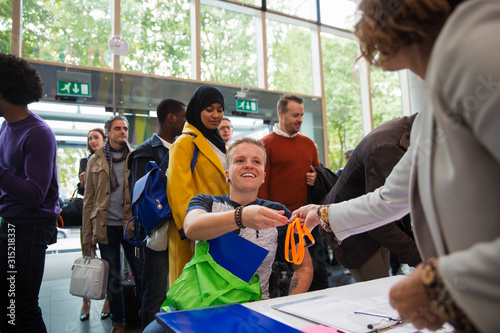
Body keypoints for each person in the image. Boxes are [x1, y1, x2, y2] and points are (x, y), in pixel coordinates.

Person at [292, 0, 500, 331]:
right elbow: (392, 197)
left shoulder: (480, 47)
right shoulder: (435, 99)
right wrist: (323, 214)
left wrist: (440, 282)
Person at [143, 138, 313, 333]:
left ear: (263, 176)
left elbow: (304, 266)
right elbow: (191, 227)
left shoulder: (278, 213)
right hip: (199, 306)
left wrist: (282, 308)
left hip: (254, 310)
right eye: (240, 160)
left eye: (256, 161)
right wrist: (241, 216)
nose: (249, 164)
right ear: (227, 174)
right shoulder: (206, 202)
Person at [322, 114, 421, 282]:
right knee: (377, 296)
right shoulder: (389, 147)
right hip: (354, 231)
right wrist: (421, 260)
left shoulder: (404, 132)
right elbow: (380, 218)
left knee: (382, 287)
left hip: (367, 224)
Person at [0, 53, 60, 332]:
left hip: (28, 228)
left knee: (21, 306)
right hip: (11, 223)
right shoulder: (6, 126)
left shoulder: (37, 133)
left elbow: (35, 193)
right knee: (9, 305)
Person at [258, 94, 329, 291]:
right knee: (283, 279)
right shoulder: (265, 144)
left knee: (319, 276)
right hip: (280, 223)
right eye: (295, 115)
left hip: (308, 222)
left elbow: (318, 172)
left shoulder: (307, 144)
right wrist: (268, 222)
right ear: (281, 114)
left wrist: (316, 179)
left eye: (302, 115)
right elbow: (262, 186)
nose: (299, 119)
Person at [127, 98, 186, 329]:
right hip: (157, 235)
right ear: (170, 117)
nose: (187, 122)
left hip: (183, 231)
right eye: (183, 116)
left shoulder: (186, 147)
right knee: (155, 295)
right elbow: (143, 198)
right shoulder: (145, 152)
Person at [82, 115, 144, 333]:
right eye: (117, 128)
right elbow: (89, 200)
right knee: (112, 277)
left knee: (141, 273)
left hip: (132, 227)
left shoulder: (136, 157)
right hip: (104, 226)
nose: (123, 132)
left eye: (125, 128)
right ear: (107, 132)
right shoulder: (95, 160)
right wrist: (86, 238)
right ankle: (119, 322)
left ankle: (147, 318)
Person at [167, 85, 229, 286]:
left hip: (220, 226)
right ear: (196, 110)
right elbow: (178, 193)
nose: (215, 115)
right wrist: (191, 231)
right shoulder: (185, 143)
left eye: (219, 109)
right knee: (193, 292)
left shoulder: (220, 144)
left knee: (217, 289)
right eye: (209, 109)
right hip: (195, 231)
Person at [76, 128, 110, 322]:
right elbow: (84, 194)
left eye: (96, 137)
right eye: (90, 138)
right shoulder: (86, 161)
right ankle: (85, 301)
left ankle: (108, 300)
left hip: (105, 217)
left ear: (104, 139)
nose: (92, 141)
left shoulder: (111, 160)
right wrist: (82, 183)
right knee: (87, 259)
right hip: (89, 215)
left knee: (108, 262)